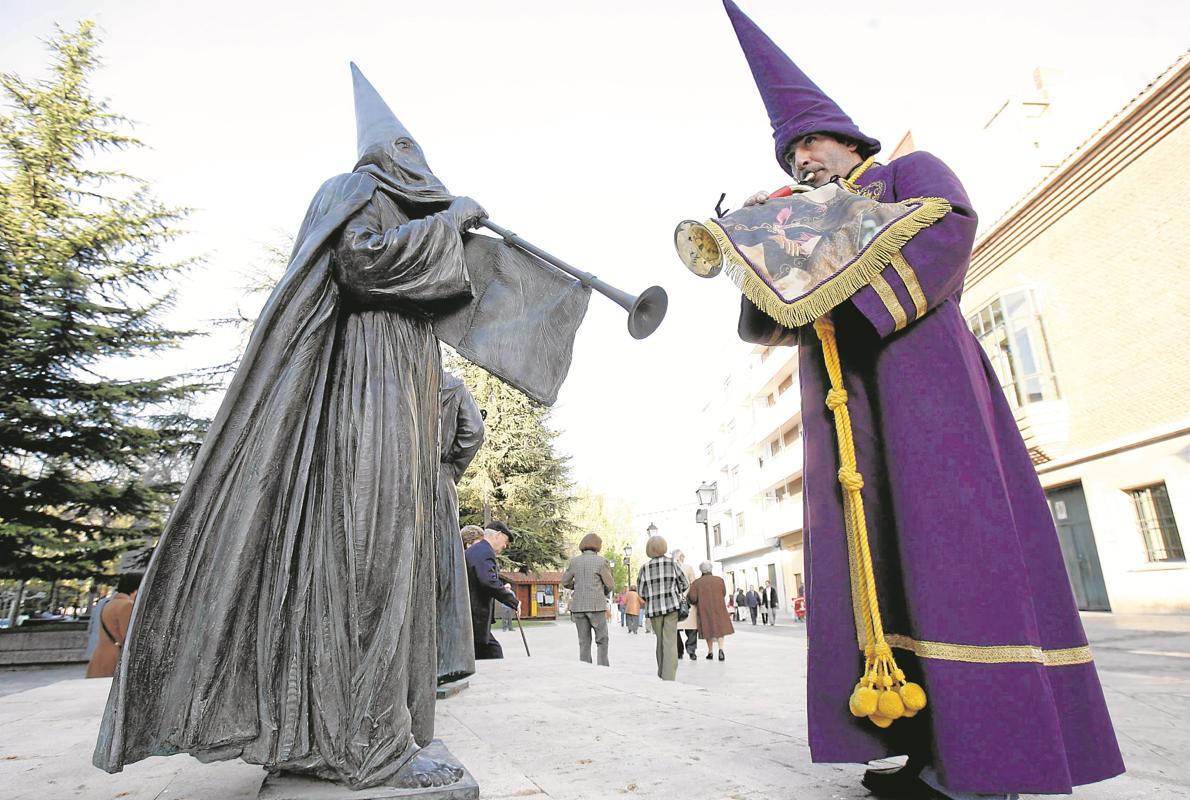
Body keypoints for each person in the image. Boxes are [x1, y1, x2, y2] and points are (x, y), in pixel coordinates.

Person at [721, 4, 1123, 799]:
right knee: (885, 574)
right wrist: (755, 243)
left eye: (811, 142)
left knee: (956, 561)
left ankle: (992, 763)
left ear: (849, 139)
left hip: (927, 396)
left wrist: (831, 245)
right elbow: (775, 319)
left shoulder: (906, 173)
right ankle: (918, 744)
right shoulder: (799, 215)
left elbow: (948, 229)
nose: (802, 159)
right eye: (791, 151)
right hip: (851, 418)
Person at [91, 65, 492, 791]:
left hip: (397, 394)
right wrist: (449, 222)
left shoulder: (392, 203)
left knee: (390, 565)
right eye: (406, 147)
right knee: (367, 560)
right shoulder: (354, 192)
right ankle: (366, 743)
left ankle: (364, 730)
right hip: (363, 399)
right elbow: (360, 264)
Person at [435, 371, 485, 686]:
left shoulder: (389, 369)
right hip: (438, 477)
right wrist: (450, 470)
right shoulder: (450, 383)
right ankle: (444, 661)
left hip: (394, 474)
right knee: (441, 569)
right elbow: (474, 432)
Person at [635, 534, 688, 681]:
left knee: (660, 640)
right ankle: (669, 676)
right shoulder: (672, 563)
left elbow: (640, 591)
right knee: (670, 640)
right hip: (672, 607)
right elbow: (685, 584)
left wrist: (651, 597)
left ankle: (662, 672)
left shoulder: (644, 568)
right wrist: (674, 589)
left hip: (654, 610)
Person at [466, 521, 520, 660]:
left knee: (488, 653)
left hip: (471, 615)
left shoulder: (478, 550)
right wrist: (512, 601)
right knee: (493, 653)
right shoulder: (484, 551)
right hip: (473, 615)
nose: (505, 546)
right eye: (505, 541)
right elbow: (488, 581)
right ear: (498, 535)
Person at [561, 533, 615, 667]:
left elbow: (564, 581)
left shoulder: (574, 562)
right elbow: (610, 584)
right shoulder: (602, 561)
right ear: (597, 546)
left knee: (584, 641)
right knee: (602, 639)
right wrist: (603, 592)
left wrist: (577, 587)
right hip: (596, 606)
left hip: (579, 606)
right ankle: (603, 667)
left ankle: (585, 669)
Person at [85, 574, 141, 679]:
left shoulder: (110, 604)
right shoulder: (127, 605)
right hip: (114, 659)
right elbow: (128, 637)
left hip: (100, 657)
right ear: (136, 589)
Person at [687, 562, 734, 661]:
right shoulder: (719, 580)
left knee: (708, 629)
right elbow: (724, 593)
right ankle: (721, 650)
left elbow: (692, 598)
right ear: (711, 569)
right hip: (719, 608)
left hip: (704, 609)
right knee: (720, 629)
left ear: (701, 570)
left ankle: (710, 652)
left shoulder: (697, 583)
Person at [672, 550, 699, 660]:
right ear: (679, 557)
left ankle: (680, 651)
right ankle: (691, 650)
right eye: (682, 555)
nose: (684, 556)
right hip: (687, 601)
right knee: (691, 628)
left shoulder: (669, 568)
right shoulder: (688, 568)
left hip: (674, 602)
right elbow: (694, 583)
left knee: (676, 629)